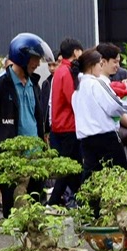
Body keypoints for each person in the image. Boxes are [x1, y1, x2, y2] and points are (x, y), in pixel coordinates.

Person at [0, 34, 48, 217]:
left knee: (36, 208)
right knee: (13, 212)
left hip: (35, 157)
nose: (37, 64)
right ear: (22, 57)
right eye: (35, 59)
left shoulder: (33, 84)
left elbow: (38, 119)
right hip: (12, 158)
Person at [71, 50, 127, 178]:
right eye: (100, 64)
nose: (101, 68)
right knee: (123, 175)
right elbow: (113, 106)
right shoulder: (97, 83)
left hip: (86, 140)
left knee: (91, 178)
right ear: (91, 66)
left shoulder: (77, 90)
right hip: (105, 138)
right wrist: (126, 101)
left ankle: (85, 199)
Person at [47, 37, 84, 206]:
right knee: (69, 169)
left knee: (73, 169)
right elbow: (73, 99)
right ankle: (53, 202)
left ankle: (83, 200)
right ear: (76, 52)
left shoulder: (60, 71)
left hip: (60, 126)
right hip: (68, 126)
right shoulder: (67, 71)